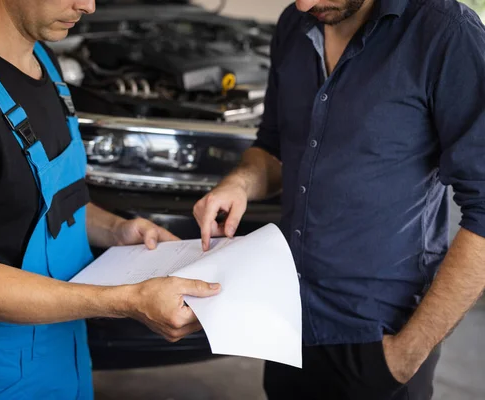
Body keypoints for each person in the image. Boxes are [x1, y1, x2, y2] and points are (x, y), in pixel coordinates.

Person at [0, 0, 221, 398]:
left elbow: (44, 199)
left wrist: (116, 229)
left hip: (63, 349)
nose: (89, 6)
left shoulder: (43, 58)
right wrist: (126, 301)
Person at [193, 0, 485, 399]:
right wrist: (240, 183)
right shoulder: (294, 25)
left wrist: (406, 353)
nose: (303, 3)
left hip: (381, 334)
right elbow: (274, 147)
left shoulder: (446, 33)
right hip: (287, 320)